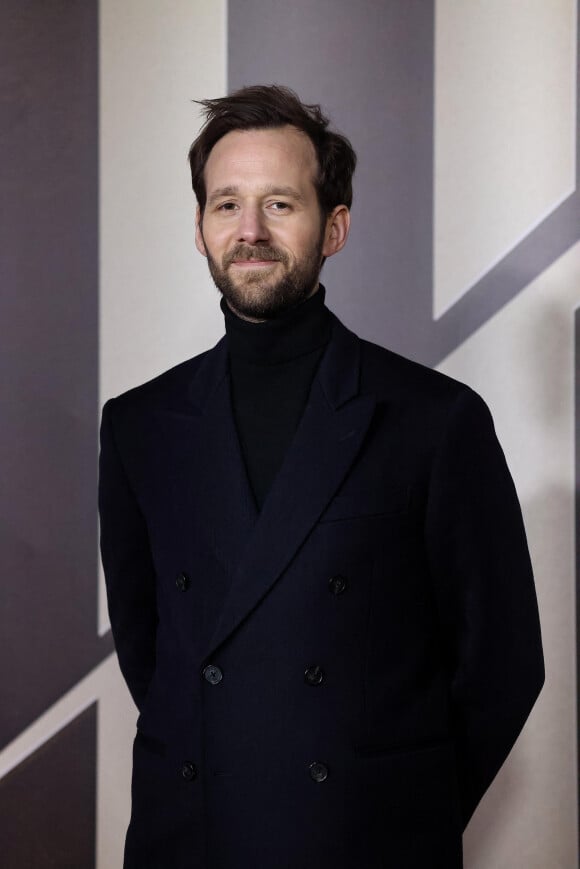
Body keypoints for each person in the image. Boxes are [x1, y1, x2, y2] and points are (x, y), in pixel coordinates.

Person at [98, 85, 544, 869]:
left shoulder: (434, 420)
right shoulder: (137, 425)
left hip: (362, 843)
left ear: (333, 226)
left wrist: (397, 808)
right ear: (199, 230)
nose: (250, 232)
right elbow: (152, 650)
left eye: (280, 203)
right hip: (188, 840)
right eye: (225, 204)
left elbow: (505, 663)